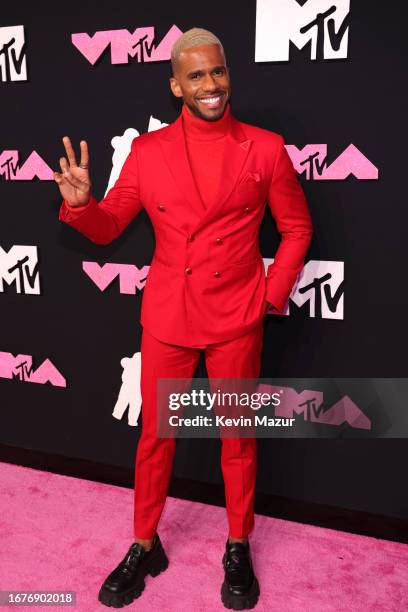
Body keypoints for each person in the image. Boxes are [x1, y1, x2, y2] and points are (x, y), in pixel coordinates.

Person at [54, 27, 313, 610]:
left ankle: (238, 544)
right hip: (169, 315)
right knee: (155, 437)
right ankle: (144, 544)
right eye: (196, 75)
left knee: (238, 438)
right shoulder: (148, 153)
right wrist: (79, 206)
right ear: (176, 85)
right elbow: (109, 225)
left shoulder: (265, 148)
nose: (211, 85)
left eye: (217, 71)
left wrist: (269, 298)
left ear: (229, 75)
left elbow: (297, 228)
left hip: (236, 317)